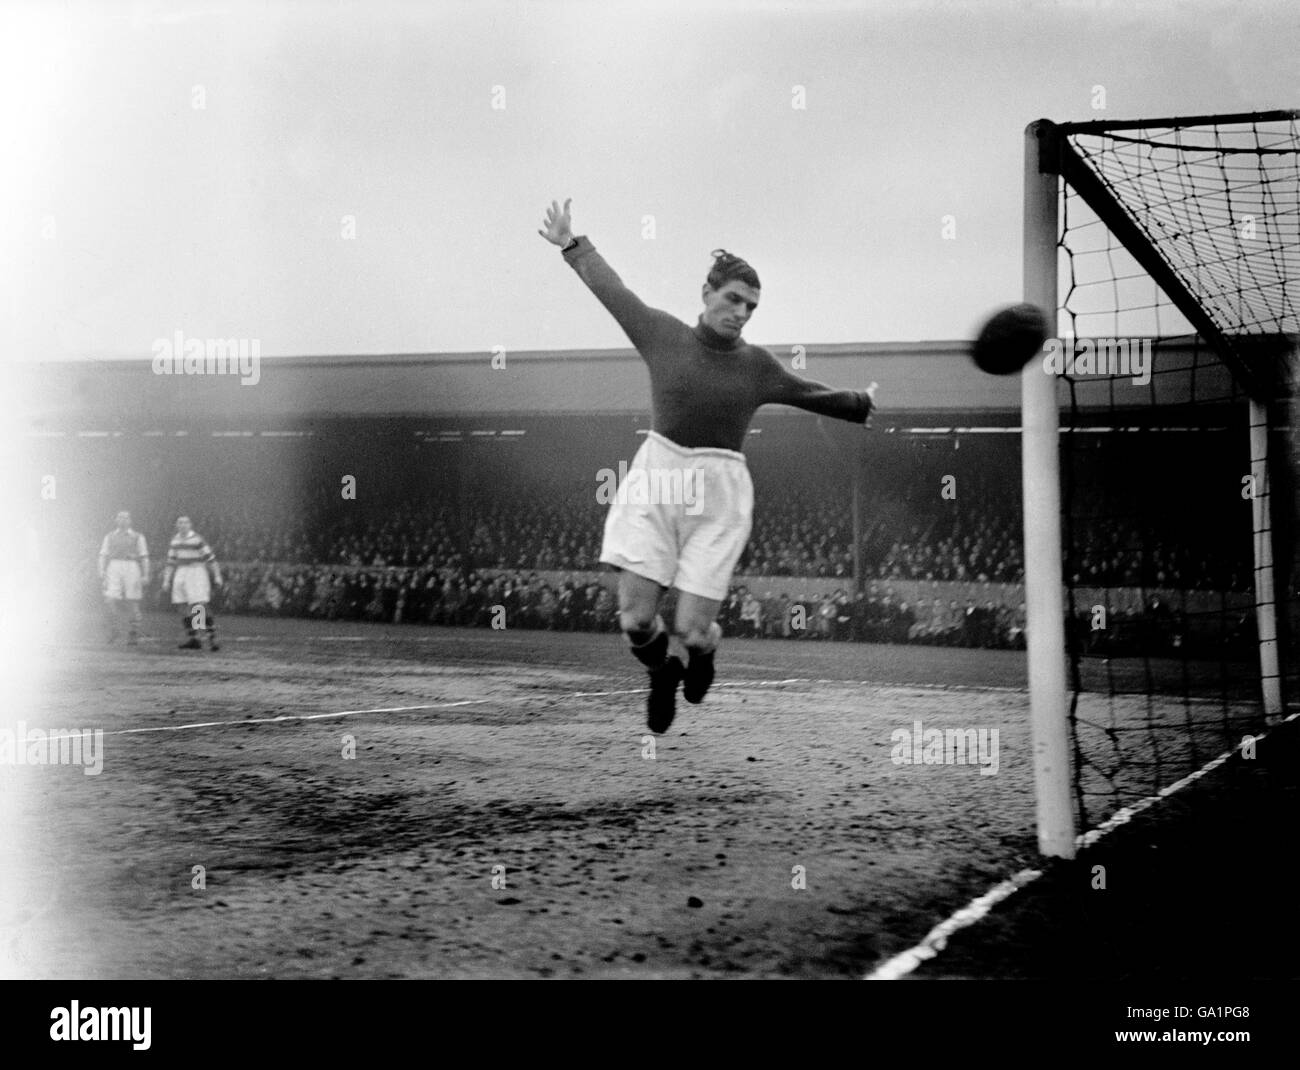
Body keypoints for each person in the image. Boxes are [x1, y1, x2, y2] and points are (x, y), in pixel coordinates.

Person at [540, 197, 877, 731]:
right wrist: (572, 244)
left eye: (751, 307)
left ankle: (701, 653)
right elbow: (615, 293)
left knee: (695, 629)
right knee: (636, 622)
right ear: (707, 294)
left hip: (718, 495)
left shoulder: (757, 365)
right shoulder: (662, 334)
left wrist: (859, 402)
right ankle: (661, 672)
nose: (741, 312)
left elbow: (807, 392)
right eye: (734, 299)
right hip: (657, 481)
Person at [162, 515, 223, 650]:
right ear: (177, 526)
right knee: (182, 605)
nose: (183, 525)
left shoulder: (197, 539)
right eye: (180, 523)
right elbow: (171, 562)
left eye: (185, 522)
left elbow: (211, 559)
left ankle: (211, 638)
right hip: (181, 572)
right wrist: (167, 579)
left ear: (190, 525)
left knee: (198, 606)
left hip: (196, 571)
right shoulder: (175, 541)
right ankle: (194, 638)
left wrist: (217, 575)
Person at [98, 510, 149, 645]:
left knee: (132, 601)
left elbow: (144, 556)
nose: (123, 520)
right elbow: (103, 554)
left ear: (130, 521)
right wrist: (102, 571)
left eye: (126, 518)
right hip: (114, 566)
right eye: (120, 517)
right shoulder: (109, 536)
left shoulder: (138, 537)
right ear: (116, 520)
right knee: (109, 599)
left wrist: (145, 574)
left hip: (131, 567)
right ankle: (114, 629)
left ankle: (133, 632)